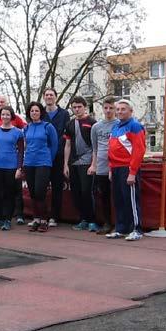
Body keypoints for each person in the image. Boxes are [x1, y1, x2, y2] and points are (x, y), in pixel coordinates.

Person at [106, 99, 146, 241]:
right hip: (116, 168)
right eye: (118, 109)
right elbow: (111, 149)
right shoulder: (115, 127)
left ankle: (137, 229)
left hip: (128, 168)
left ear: (130, 111)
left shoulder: (135, 126)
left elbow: (139, 150)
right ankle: (121, 228)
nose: (120, 112)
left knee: (131, 200)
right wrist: (111, 169)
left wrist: (132, 172)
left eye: (123, 109)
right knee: (119, 200)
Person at [0, 95, 27, 224]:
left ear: (12, 116)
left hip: (11, 167)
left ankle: (7, 219)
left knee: (9, 194)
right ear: (0, 117)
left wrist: (19, 168)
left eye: (7, 114)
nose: (5, 117)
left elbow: (21, 151)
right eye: (3, 114)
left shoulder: (18, 132)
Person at [63, 96, 98, 232]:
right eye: (74, 107)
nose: (77, 109)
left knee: (86, 192)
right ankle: (83, 219)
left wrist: (93, 164)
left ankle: (92, 221)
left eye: (79, 107)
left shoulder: (92, 122)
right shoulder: (70, 124)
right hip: (73, 163)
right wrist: (65, 164)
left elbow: (96, 146)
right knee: (76, 193)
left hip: (87, 162)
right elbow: (67, 145)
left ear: (85, 107)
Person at [22, 101, 58, 233]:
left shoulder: (48, 126)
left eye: (36, 111)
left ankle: (44, 220)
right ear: (29, 113)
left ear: (41, 112)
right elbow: (25, 145)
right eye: (32, 111)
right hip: (29, 163)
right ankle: (36, 219)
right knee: (32, 192)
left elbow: (54, 145)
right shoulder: (26, 128)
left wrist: (49, 159)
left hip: (43, 163)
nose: (34, 113)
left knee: (40, 191)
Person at [88, 97, 117, 234]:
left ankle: (119, 223)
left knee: (117, 195)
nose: (108, 110)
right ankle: (107, 222)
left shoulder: (119, 124)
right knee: (103, 196)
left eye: (111, 108)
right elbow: (95, 148)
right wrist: (93, 165)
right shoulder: (96, 127)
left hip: (116, 165)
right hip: (101, 166)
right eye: (106, 108)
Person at [42, 88, 68, 227]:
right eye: (46, 95)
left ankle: (54, 216)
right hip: (43, 156)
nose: (49, 97)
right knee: (42, 187)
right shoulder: (40, 113)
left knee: (57, 187)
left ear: (56, 97)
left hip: (58, 155)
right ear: (44, 97)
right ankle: (42, 215)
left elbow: (66, 135)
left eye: (51, 95)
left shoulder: (64, 114)